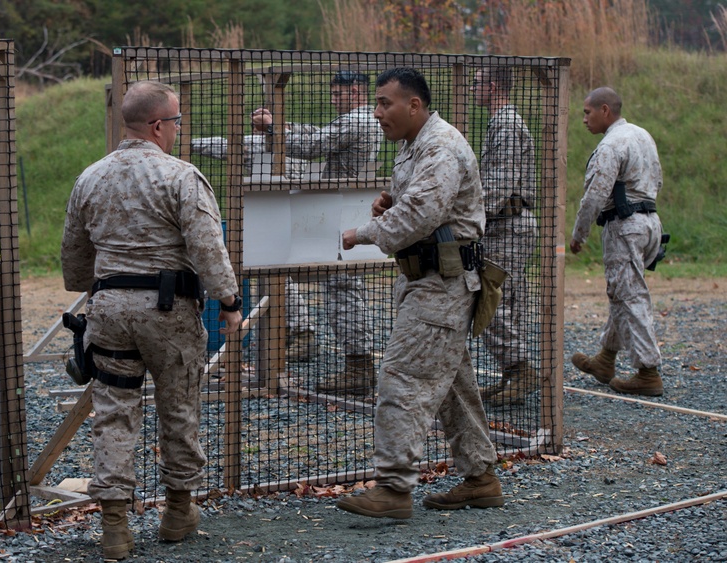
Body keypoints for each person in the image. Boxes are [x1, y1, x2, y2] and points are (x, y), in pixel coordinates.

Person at [61, 80, 243, 560]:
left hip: (108, 308)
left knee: (114, 413)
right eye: (177, 121)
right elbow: (208, 247)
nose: (179, 130)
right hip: (168, 311)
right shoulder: (180, 176)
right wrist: (229, 301)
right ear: (159, 125)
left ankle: (115, 528)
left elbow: (75, 258)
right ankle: (178, 512)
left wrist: (100, 286)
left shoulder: (90, 176)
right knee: (179, 406)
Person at [335, 67, 502, 519]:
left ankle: (392, 488)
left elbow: (420, 215)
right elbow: (418, 202)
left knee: (402, 378)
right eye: (376, 103)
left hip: (440, 285)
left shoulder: (441, 146)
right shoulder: (416, 144)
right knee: (451, 384)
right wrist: (390, 197)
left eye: (385, 103)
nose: (376, 113)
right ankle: (481, 478)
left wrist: (364, 232)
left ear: (414, 105)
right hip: (428, 282)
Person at [250, 70, 384, 395]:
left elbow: (313, 145)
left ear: (355, 91)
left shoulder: (358, 120)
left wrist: (272, 128)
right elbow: (320, 134)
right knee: (332, 287)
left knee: (344, 294)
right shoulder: (360, 121)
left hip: (342, 216)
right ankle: (350, 362)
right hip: (343, 213)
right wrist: (283, 128)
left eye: (338, 94)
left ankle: (358, 368)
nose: (333, 99)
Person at [569, 87, 664, 397]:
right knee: (622, 292)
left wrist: (579, 234)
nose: (584, 118)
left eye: (588, 112)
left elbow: (595, 195)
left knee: (631, 295)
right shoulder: (642, 135)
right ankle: (605, 360)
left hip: (625, 226)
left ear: (605, 110)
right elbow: (657, 179)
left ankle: (647, 373)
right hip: (650, 221)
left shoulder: (611, 145)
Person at [470, 66, 540, 406]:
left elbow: (499, 184)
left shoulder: (506, 124)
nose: (471, 88)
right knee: (507, 300)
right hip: (505, 225)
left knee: (491, 298)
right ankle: (514, 373)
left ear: (493, 86)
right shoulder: (501, 122)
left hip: (506, 224)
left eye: (477, 82)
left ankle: (520, 369)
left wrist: (469, 220)